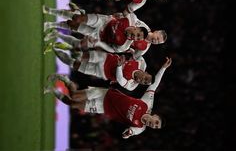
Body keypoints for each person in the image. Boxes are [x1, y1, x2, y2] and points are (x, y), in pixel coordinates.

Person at [44, 57, 172, 138]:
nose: (152, 125)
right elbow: (154, 85)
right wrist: (163, 69)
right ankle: (64, 79)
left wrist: (127, 134)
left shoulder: (140, 128)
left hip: (102, 108)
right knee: (74, 95)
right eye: (156, 122)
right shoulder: (147, 104)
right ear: (155, 116)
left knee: (72, 104)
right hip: (106, 94)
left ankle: (51, 90)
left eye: (155, 127)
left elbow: (130, 132)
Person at [51, 47, 152, 91]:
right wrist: (131, 50)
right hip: (106, 58)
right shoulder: (142, 63)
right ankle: (63, 46)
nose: (143, 81)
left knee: (74, 64)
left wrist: (120, 66)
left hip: (101, 72)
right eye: (146, 79)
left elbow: (120, 79)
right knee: (80, 55)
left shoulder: (132, 86)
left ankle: (54, 49)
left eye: (145, 83)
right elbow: (137, 53)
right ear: (146, 72)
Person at [44, 19, 149, 53]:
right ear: (137, 28)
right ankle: (51, 24)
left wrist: (97, 43)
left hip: (98, 37)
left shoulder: (125, 45)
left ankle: (55, 34)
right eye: (138, 34)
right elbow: (116, 16)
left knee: (78, 44)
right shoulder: (129, 20)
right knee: (74, 23)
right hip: (101, 23)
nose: (136, 37)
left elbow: (110, 49)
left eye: (138, 38)